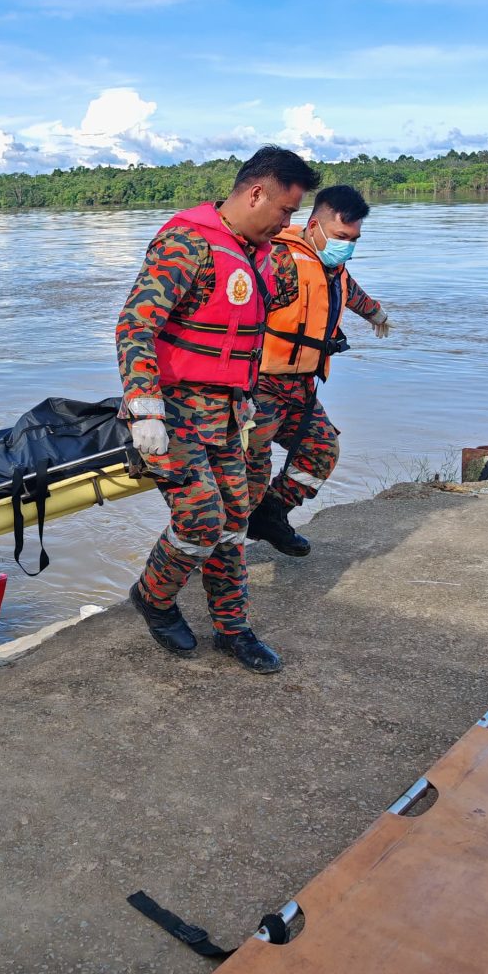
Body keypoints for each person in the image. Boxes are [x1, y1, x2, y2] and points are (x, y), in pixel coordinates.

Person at [116, 146, 320, 674]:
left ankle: (233, 628)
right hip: (173, 412)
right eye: (285, 212)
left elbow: (266, 314)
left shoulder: (261, 254)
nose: (287, 224)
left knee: (235, 522)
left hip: (230, 414)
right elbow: (135, 325)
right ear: (256, 194)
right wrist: (145, 410)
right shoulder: (187, 243)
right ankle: (155, 597)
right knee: (201, 518)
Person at [245, 184, 391, 555]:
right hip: (260, 388)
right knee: (250, 472)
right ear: (314, 226)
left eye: (355, 238)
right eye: (342, 236)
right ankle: (215, 551)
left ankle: (270, 515)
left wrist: (375, 313)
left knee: (321, 451)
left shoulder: (333, 265)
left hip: (301, 388)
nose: (349, 246)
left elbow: (349, 289)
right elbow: (238, 310)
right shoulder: (277, 260)